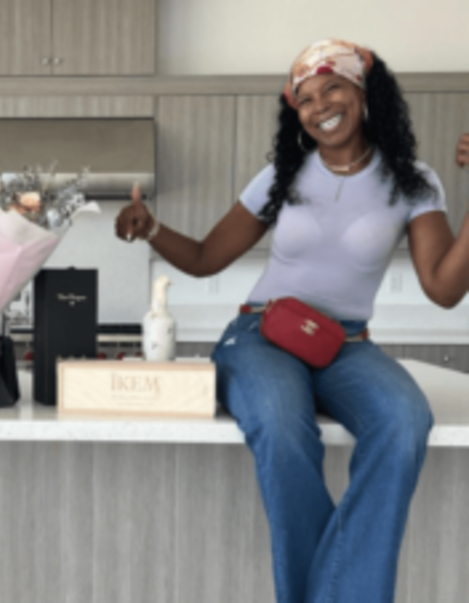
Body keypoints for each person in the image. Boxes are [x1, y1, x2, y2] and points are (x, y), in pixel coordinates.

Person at [117, 39, 469, 603]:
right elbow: (206, 258)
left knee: (404, 420)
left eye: (333, 87)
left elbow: (445, 289)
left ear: (364, 93)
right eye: (304, 98)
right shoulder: (282, 175)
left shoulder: (414, 181)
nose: (319, 105)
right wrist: (152, 229)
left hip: (345, 344)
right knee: (281, 425)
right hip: (262, 335)